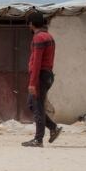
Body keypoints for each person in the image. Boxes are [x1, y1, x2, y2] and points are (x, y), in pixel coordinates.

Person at [22, 12, 62, 148]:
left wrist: (32, 83)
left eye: (29, 23)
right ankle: (53, 128)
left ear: (31, 24)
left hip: (40, 76)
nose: (28, 26)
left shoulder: (38, 38)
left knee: (37, 106)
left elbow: (37, 62)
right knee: (32, 105)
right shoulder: (49, 37)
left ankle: (38, 140)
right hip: (47, 75)